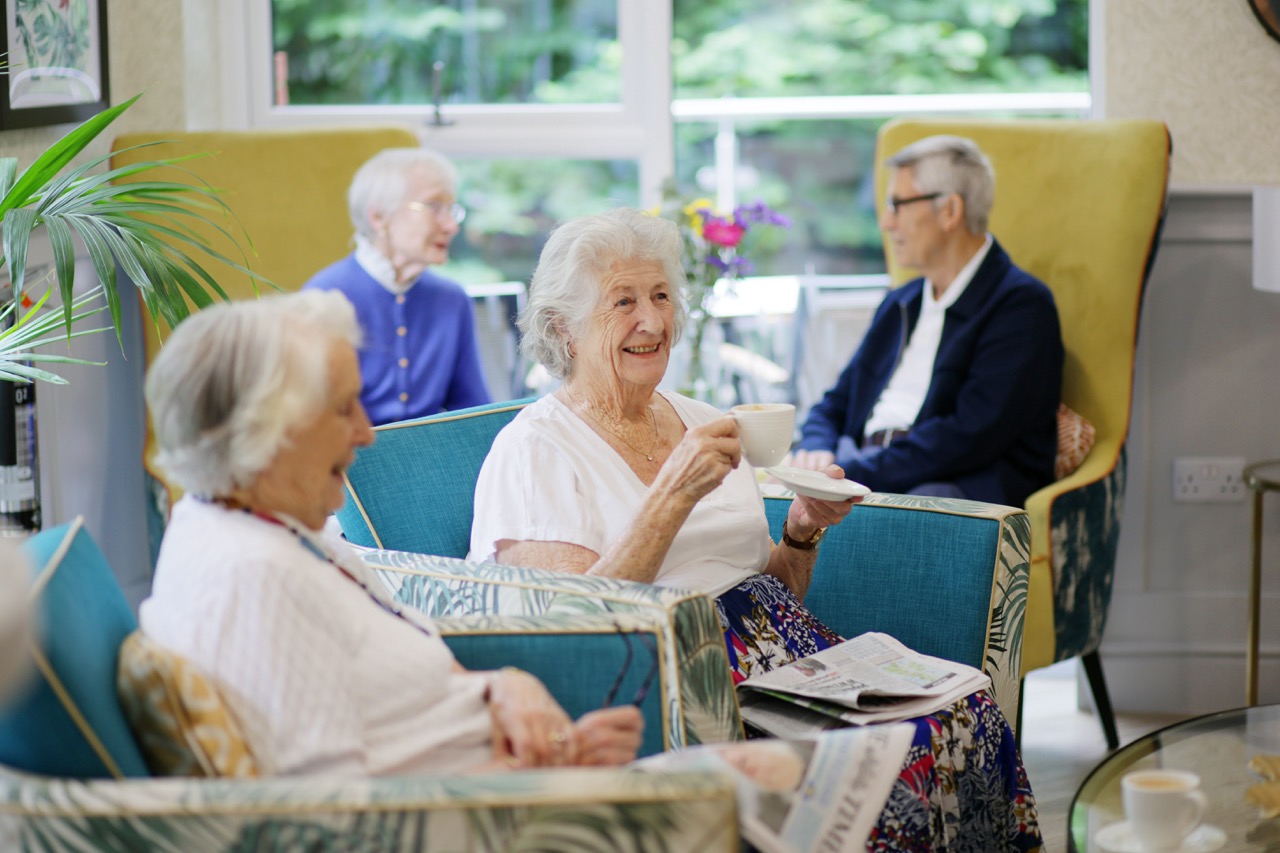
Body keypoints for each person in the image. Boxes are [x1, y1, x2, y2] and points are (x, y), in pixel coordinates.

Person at [139, 291, 640, 776]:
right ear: (264, 436)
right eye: (343, 409)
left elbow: (405, 661)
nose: (366, 432)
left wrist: (501, 687)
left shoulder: (281, 528)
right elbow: (338, 815)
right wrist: (552, 765)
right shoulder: (253, 580)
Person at [469, 208, 858, 683]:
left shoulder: (707, 421)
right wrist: (673, 497)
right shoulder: (534, 450)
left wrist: (801, 530)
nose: (652, 322)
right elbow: (571, 635)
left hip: (789, 656)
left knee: (970, 706)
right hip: (683, 681)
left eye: (660, 296)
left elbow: (774, 594)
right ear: (562, 329)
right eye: (623, 302)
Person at [790, 135, 1063, 506]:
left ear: (949, 211)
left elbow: (967, 437)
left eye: (898, 205)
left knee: (924, 507)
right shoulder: (901, 302)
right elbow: (836, 401)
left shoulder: (1021, 307)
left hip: (947, 481)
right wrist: (817, 447)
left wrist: (849, 474)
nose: (887, 223)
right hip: (864, 465)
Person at [303, 147, 491, 427]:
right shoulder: (322, 297)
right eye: (434, 207)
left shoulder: (452, 300)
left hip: (432, 461)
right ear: (379, 217)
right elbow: (309, 423)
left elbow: (475, 412)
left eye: (451, 210)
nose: (451, 225)